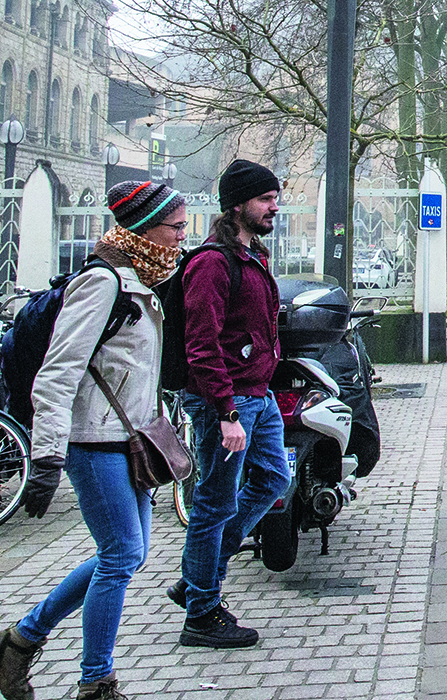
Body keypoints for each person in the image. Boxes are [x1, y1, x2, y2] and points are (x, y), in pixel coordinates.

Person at [0, 181, 186, 700]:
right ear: (144, 229)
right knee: (122, 553)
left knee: (128, 554)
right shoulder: (103, 284)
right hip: (91, 441)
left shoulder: (138, 278)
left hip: (129, 441)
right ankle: (95, 681)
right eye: (176, 227)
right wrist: (46, 457)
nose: (182, 238)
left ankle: (19, 640)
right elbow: (57, 375)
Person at [166, 159, 290, 649]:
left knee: (276, 478)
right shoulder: (213, 263)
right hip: (228, 401)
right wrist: (225, 413)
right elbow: (202, 345)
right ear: (237, 204)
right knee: (213, 506)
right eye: (265, 199)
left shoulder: (251, 256)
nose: (274, 207)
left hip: (257, 396)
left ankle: (199, 574)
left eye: (275, 198)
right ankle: (201, 613)